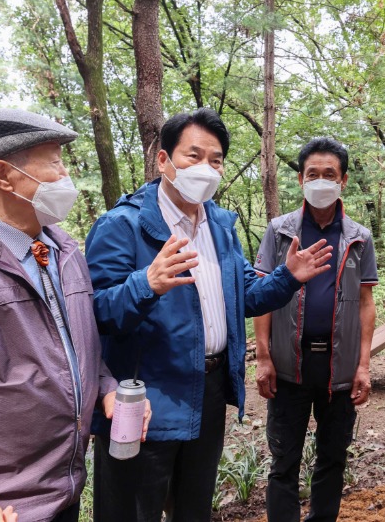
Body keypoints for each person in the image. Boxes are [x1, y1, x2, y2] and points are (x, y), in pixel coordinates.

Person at [85, 109, 333, 522]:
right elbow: (93, 315)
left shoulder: (219, 224)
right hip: (145, 401)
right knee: (130, 511)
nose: (205, 169)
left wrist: (287, 277)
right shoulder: (121, 225)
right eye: (192, 156)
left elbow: (243, 298)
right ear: (163, 161)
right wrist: (146, 284)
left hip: (210, 390)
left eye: (215, 160)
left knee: (194, 509)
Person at [0, 108, 144, 522]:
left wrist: (107, 387)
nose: (66, 174)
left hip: (64, 490)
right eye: (55, 160)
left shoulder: (65, 251)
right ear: (3, 175)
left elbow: (80, 346)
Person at [253, 137, 378, 522]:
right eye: (312, 174)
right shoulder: (280, 231)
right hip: (288, 367)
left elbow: (367, 303)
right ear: (300, 179)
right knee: (283, 462)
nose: (320, 181)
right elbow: (261, 295)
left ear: (343, 180)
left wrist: (363, 366)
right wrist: (262, 355)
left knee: (332, 460)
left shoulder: (359, 237)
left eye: (329, 174)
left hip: (338, 371)